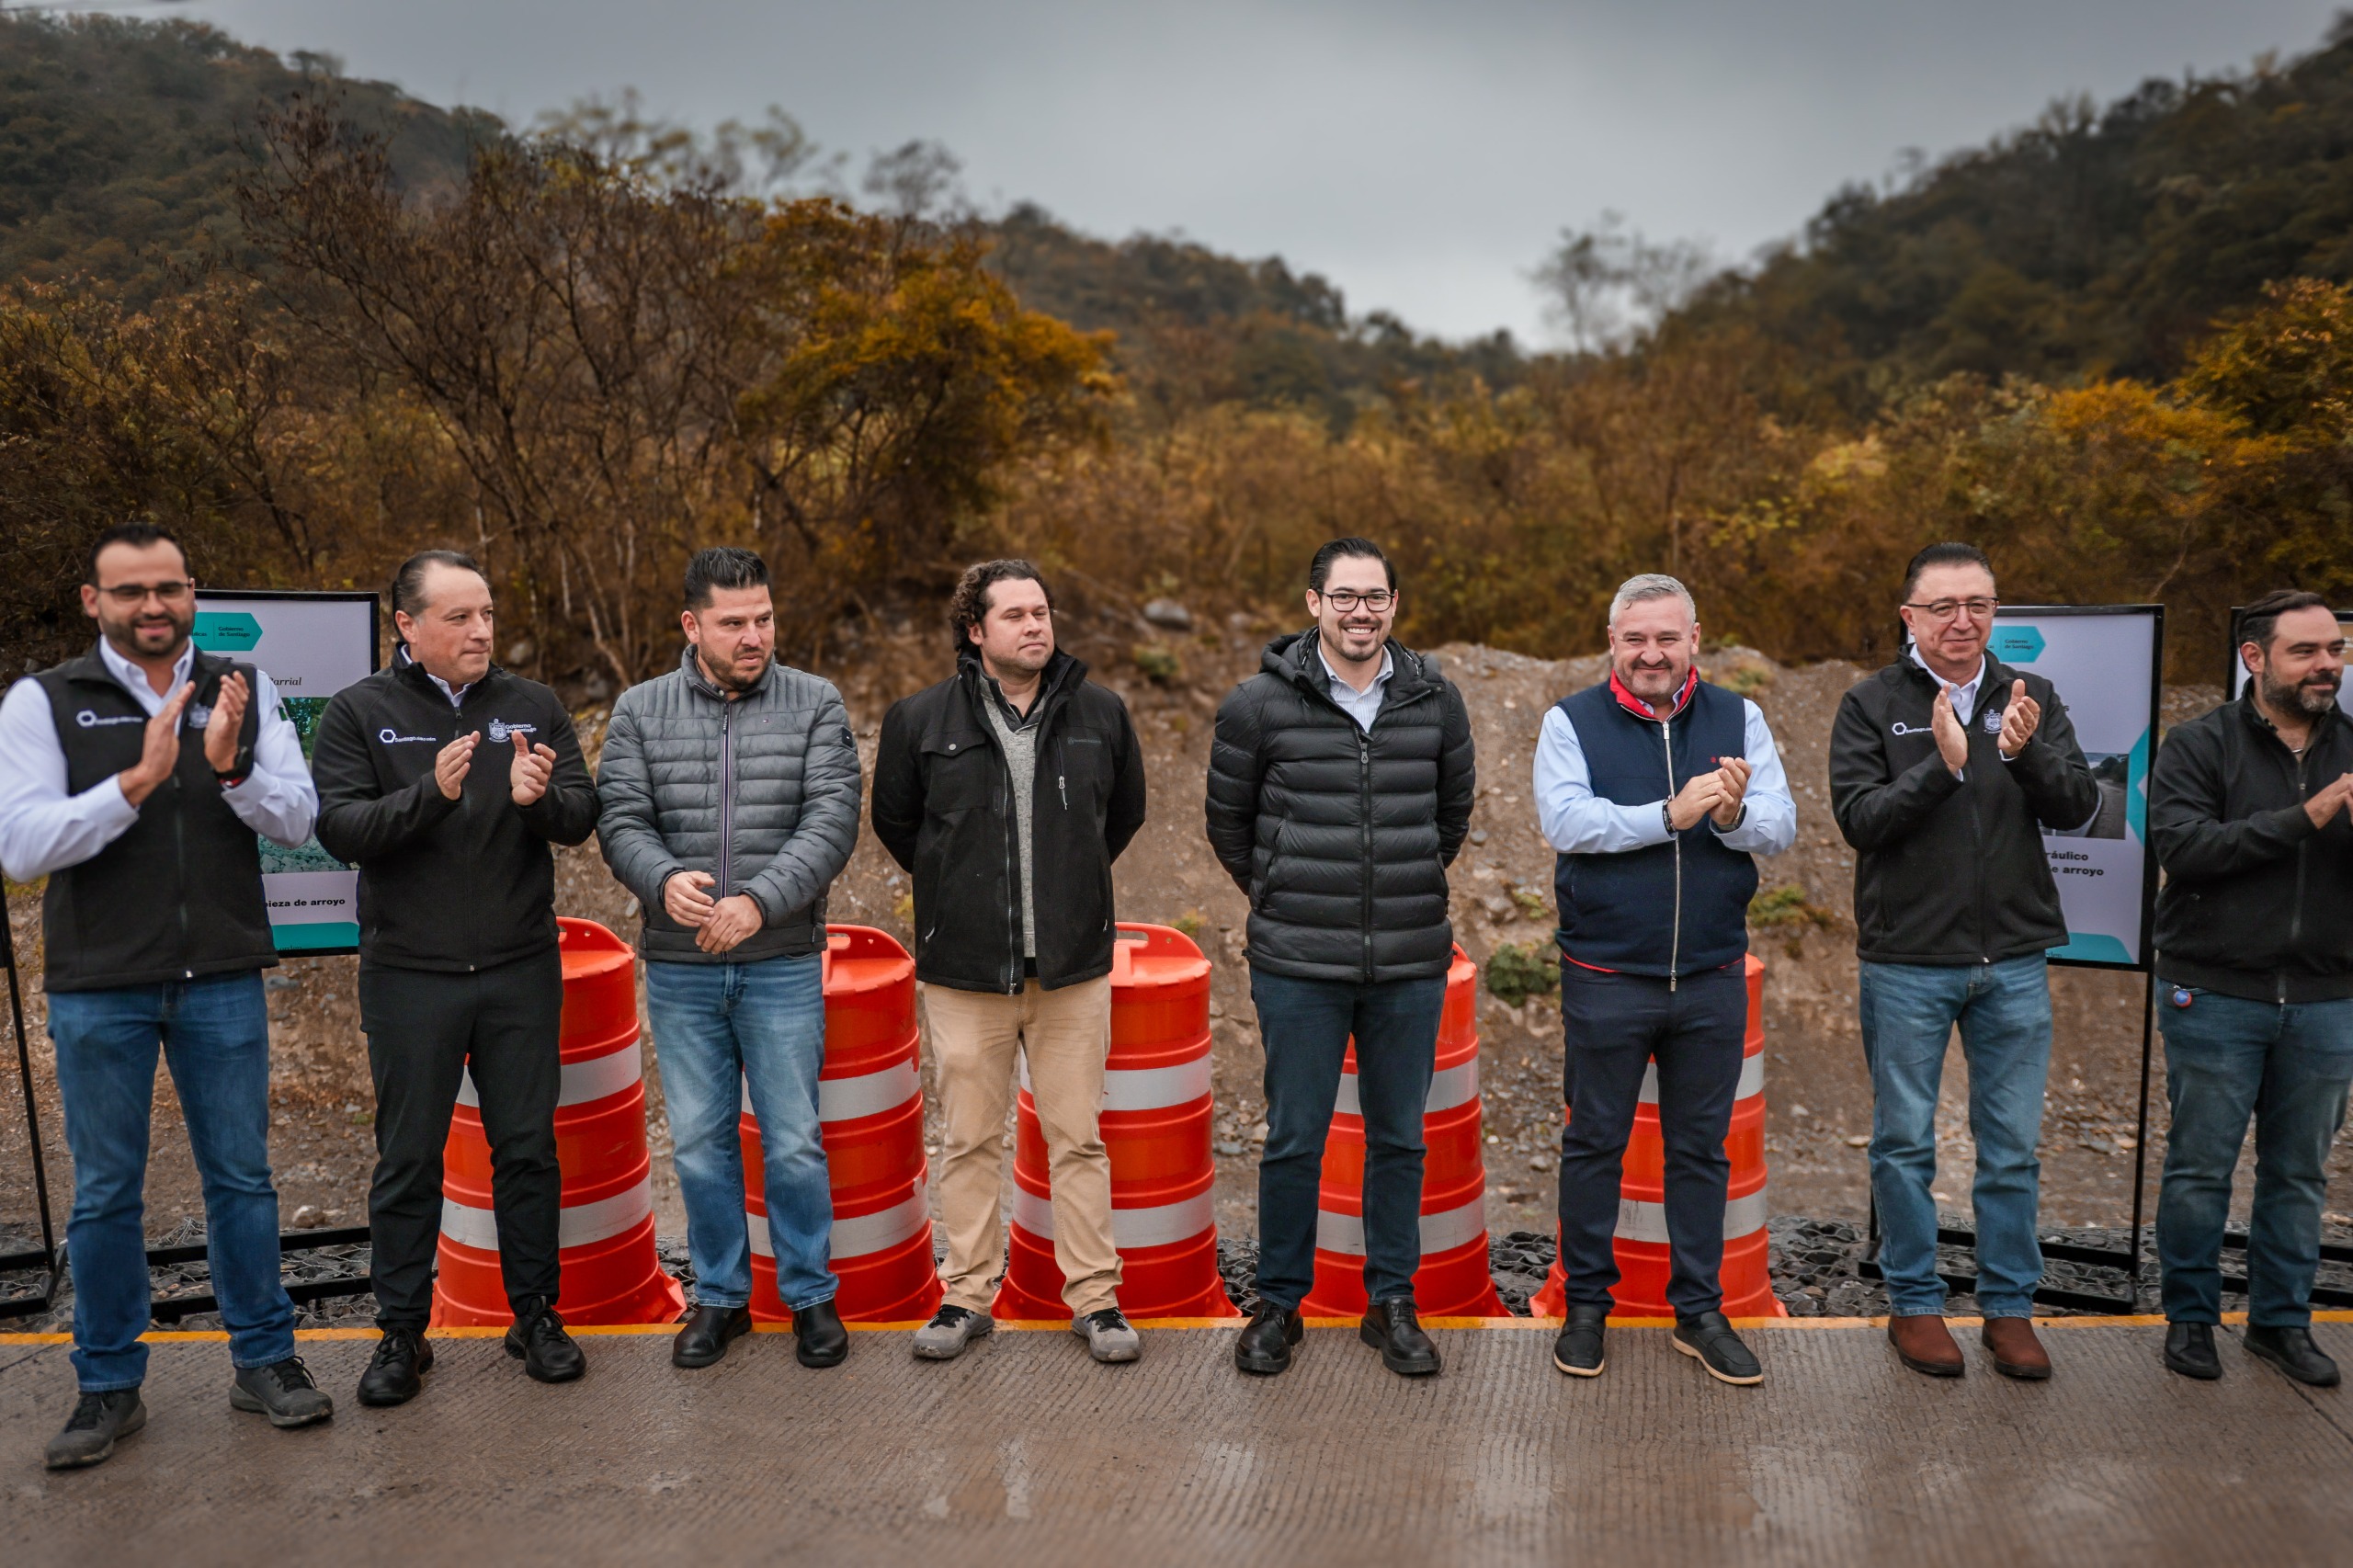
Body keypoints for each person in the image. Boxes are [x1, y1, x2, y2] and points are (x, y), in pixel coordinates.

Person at [0, 522, 330, 1470]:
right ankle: (107, 1384)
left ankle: (264, 1360)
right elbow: (21, 849)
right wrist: (136, 782)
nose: (154, 605)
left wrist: (229, 765)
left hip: (222, 973)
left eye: (170, 588)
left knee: (243, 1179)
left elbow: (300, 817)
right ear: (93, 602)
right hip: (100, 984)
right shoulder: (43, 700)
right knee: (106, 1193)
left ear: (192, 592)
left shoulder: (245, 686)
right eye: (131, 590)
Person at [313, 550, 598, 1404]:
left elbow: (582, 816)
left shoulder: (532, 705)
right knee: (407, 1159)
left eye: (487, 615)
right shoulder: (360, 712)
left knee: (526, 1151)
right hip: (410, 975)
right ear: (407, 626)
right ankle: (402, 1334)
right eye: (460, 617)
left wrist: (535, 800)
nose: (482, 631)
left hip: (517, 969)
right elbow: (341, 828)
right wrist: (430, 795)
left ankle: (536, 1316)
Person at [1207, 537, 1476, 1379]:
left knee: (1399, 1138)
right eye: (1346, 597)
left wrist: (1392, 895)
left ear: (1394, 605)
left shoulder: (1436, 700)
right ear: (1314, 605)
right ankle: (1280, 1305)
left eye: (1377, 597)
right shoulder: (1258, 704)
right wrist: (1286, 892)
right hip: (1298, 962)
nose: (1362, 611)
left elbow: (1449, 822)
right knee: (1295, 1137)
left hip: (1407, 959)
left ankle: (1391, 1303)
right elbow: (1229, 825)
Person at [1829, 541, 2097, 1381]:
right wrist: (1944, 769)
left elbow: (2081, 806)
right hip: (1908, 961)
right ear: (1909, 616)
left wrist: (2026, 754)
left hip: (2013, 959)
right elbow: (1860, 821)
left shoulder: (2033, 697)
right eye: (1942, 606)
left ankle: (2008, 1308)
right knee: (1904, 1143)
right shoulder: (1871, 703)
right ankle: (1913, 1303)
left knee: (2011, 1146)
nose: (1962, 620)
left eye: (1978, 604)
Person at [872, 560, 1148, 1365]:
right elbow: (901, 827)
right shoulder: (919, 720)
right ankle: (964, 1297)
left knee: (1078, 1138)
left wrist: (1070, 893)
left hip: (1071, 973)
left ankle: (1096, 1301)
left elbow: (1121, 816)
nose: (1036, 626)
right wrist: (963, 897)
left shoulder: (1101, 713)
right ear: (976, 630)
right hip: (964, 974)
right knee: (968, 1140)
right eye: (1016, 615)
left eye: (1043, 611)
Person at [597, 547, 863, 1370]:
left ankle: (811, 1297)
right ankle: (717, 1299)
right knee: (702, 1143)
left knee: (791, 1140)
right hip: (680, 967)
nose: (755, 636)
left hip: (780, 959)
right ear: (692, 625)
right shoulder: (640, 711)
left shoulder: (815, 702)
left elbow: (832, 820)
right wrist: (664, 879)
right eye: (735, 623)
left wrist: (757, 903)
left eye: (765, 619)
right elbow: (620, 819)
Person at [1535, 574, 1796, 1387]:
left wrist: (1728, 816)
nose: (1653, 654)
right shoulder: (1569, 719)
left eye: (1668, 638)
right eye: (1636, 638)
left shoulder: (1739, 717)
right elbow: (1565, 821)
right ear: (1612, 641)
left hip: (1712, 975)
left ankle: (1700, 1311)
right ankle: (1585, 1308)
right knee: (1594, 1145)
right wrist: (1669, 814)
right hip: (1607, 974)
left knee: (1699, 1152)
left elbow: (1780, 826)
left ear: (1694, 640)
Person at [2149, 589, 2353, 1387]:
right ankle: (2192, 1320)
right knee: (2201, 1168)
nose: (2326, 665)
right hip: (2215, 991)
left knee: (2299, 1174)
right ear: (2255, 658)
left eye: (2334, 650)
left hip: (2327, 998)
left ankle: (2279, 1323)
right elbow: (2188, 848)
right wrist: (2306, 817)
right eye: (2305, 651)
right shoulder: (2199, 745)